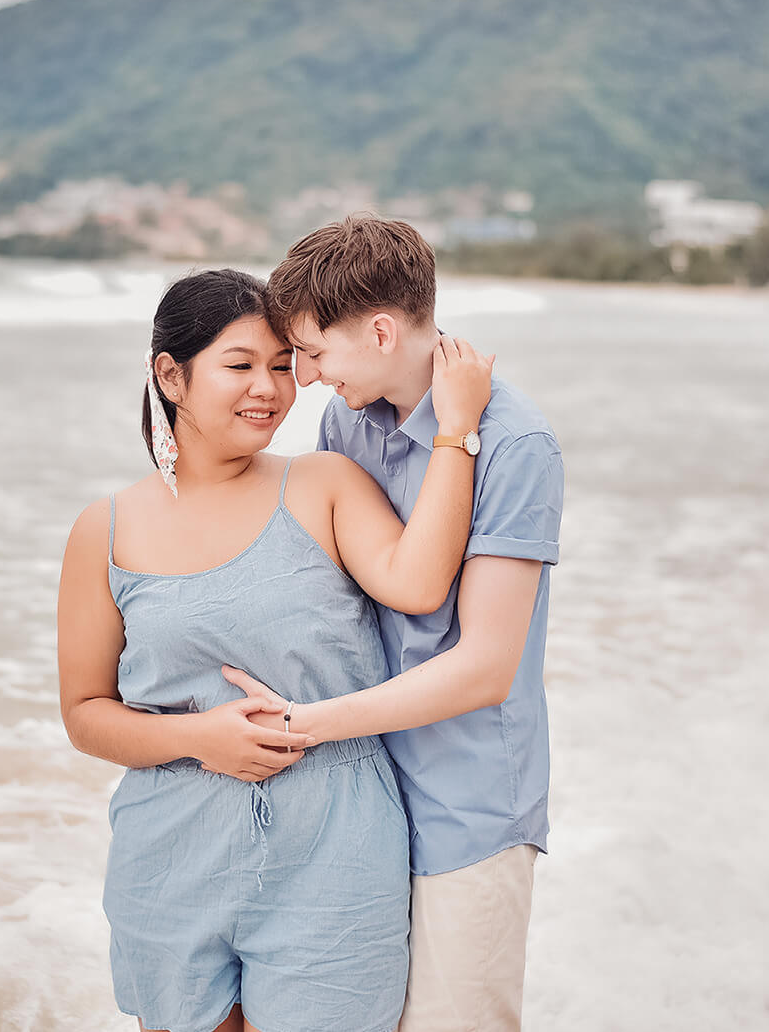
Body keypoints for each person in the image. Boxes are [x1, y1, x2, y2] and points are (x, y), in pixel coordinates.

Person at [55, 267, 496, 1032]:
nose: (270, 388)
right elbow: (86, 714)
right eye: (240, 365)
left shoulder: (324, 483)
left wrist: (457, 430)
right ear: (171, 374)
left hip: (335, 843)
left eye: (284, 366)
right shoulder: (106, 527)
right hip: (171, 849)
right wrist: (200, 737)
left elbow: (422, 584)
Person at [227, 213, 565, 1032]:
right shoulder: (350, 420)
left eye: (312, 351)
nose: (301, 378)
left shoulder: (519, 446)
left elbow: (485, 666)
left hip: (467, 806)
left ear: (380, 331)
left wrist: (307, 724)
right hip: (363, 799)